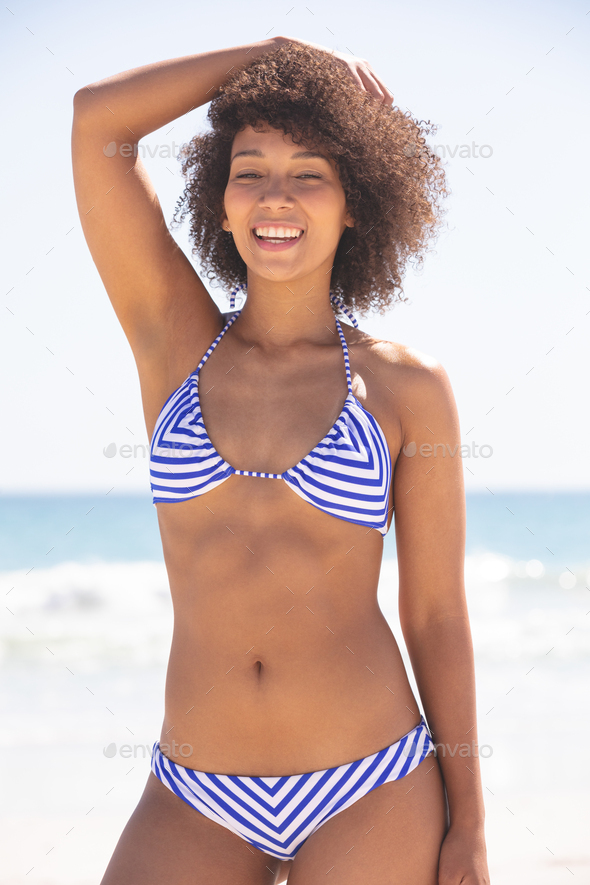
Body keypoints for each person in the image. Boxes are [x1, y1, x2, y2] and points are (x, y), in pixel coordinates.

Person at [72, 35, 490, 885]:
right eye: (249, 169)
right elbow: (96, 124)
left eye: (310, 173)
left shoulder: (406, 386)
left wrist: (471, 825)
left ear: (354, 204)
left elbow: (438, 613)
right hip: (194, 793)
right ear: (220, 204)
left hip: (372, 783)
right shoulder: (173, 341)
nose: (276, 195)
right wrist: (270, 52)